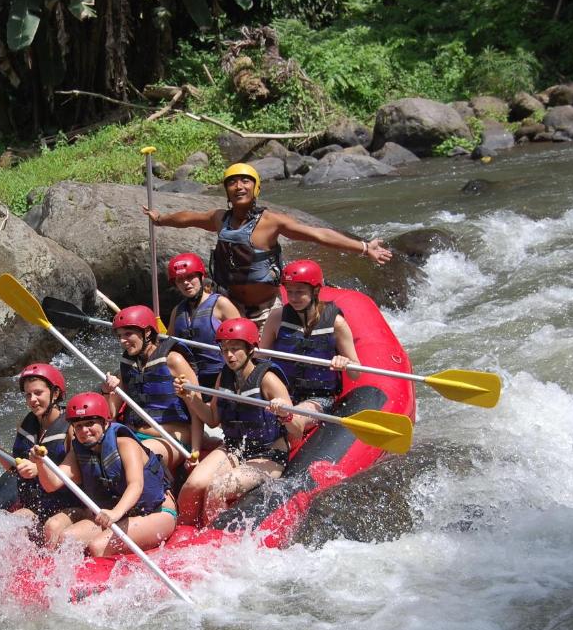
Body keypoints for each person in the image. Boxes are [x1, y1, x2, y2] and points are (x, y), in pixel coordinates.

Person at [143, 163, 392, 329]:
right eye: (233, 183)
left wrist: (363, 247)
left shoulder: (272, 222)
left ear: (256, 187)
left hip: (264, 311)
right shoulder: (220, 219)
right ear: (227, 192)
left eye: (245, 181)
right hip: (229, 306)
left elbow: (318, 234)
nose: (239, 186)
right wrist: (161, 219)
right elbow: (188, 218)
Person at [174, 318, 302, 527]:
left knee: (218, 488)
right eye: (224, 350)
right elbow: (213, 419)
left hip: (267, 453)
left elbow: (297, 430)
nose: (229, 355)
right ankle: (182, 532)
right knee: (193, 485)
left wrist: (284, 414)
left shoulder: (268, 379)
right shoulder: (224, 377)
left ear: (251, 349)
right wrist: (190, 397)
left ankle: (211, 537)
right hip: (235, 447)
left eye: (235, 349)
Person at [33, 391, 178, 556]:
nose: (84, 430)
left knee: (98, 547)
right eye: (78, 426)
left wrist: (116, 512)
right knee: (67, 540)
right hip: (114, 515)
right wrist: (40, 462)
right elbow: (52, 484)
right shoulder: (78, 451)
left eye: (90, 423)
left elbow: (135, 485)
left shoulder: (126, 444)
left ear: (105, 423)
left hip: (155, 512)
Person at [0, 363, 78, 532]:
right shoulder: (26, 424)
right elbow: (16, 469)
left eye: (38, 393)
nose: (32, 400)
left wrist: (39, 469)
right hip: (36, 506)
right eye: (28, 395)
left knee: (53, 527)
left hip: (68, 507)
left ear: (55, 393)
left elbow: (77, 474)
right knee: (10, 526)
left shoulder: (71, 428)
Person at [260, 259, 359, 433]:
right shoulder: (276, 318)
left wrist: (345, 363)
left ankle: (290, 422)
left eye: (300, 292)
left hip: (319, 398)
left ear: (316, 290)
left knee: (294, 418)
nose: (293, 298)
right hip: (281, 391)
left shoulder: (336, 323)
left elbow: (356, 372)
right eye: (289, 292)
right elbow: (260, 359)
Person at [100, 305, 201, 475]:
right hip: (134, 434)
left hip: (170, 438)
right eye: (119, 336)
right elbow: (111, 414)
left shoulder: (174, 360)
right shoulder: (128, 366)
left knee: (133, 458)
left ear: (147, 333)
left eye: (128, 334)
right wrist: (107, 392)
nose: (122, 341)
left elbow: (197, 410)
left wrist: (195, 451)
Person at [166, 252, 241, 390]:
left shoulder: (221, 304)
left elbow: (244, 341)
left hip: (220, 377)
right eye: (180, 280)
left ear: (201, 276)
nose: (186, 283)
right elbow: (168, 345)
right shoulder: (177, 311)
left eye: (190, 277)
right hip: (188, 379)